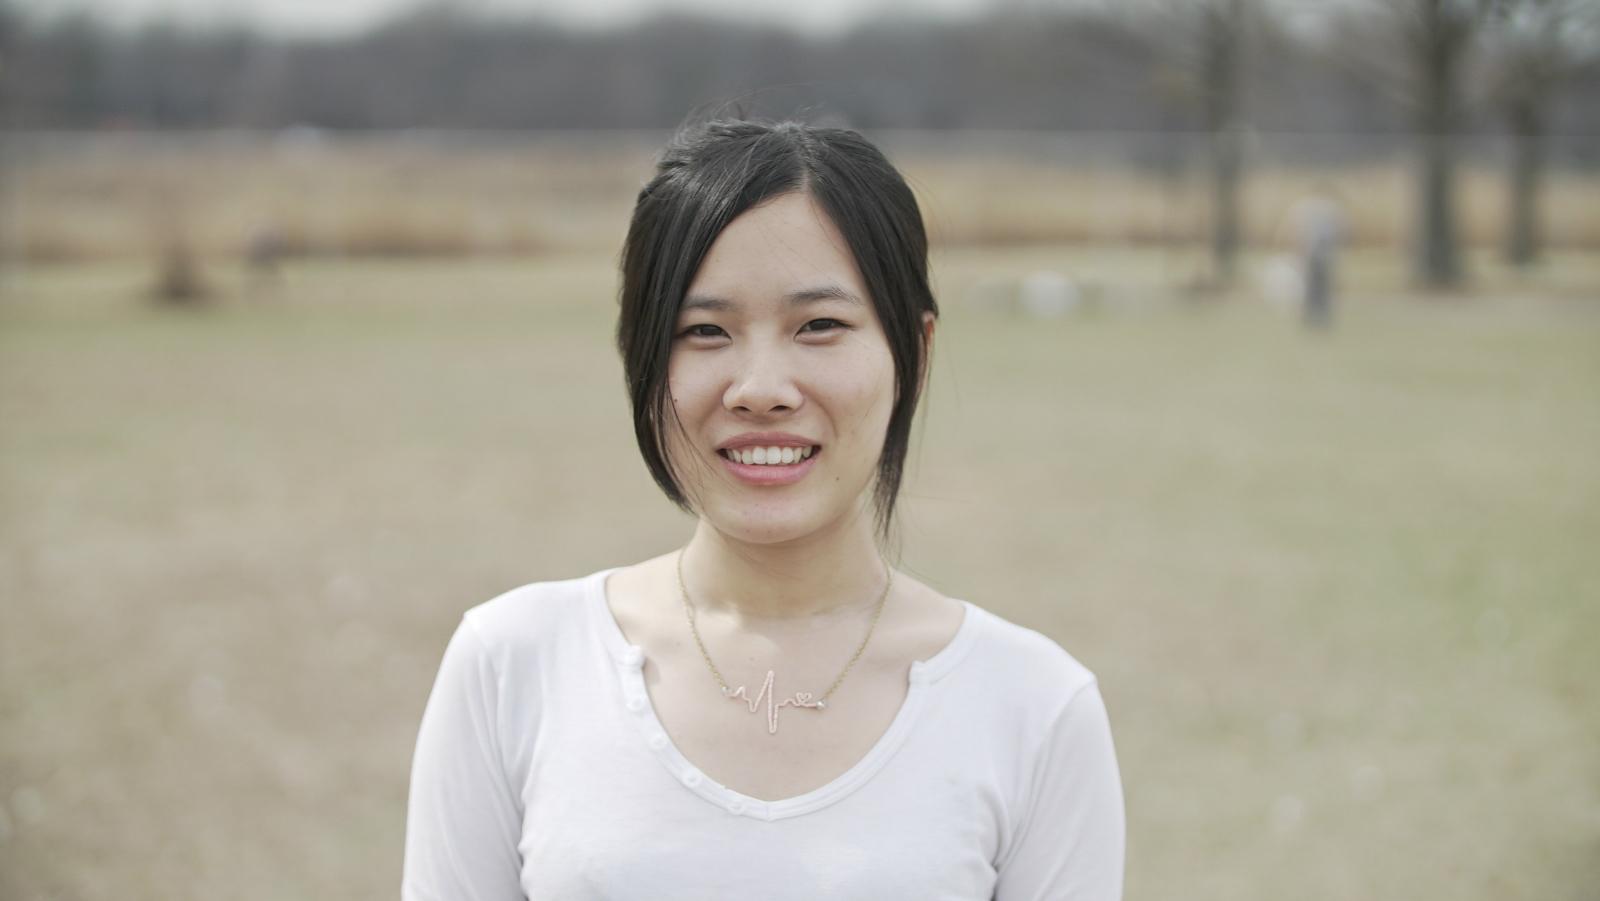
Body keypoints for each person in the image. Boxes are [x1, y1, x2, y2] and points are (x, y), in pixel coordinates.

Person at [401, 116, 1126, 900]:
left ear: (914, 351)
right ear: (641, 360)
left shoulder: (1035, 707)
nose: (761, 388)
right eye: (705, 330)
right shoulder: (514, 665)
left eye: (819, 326)